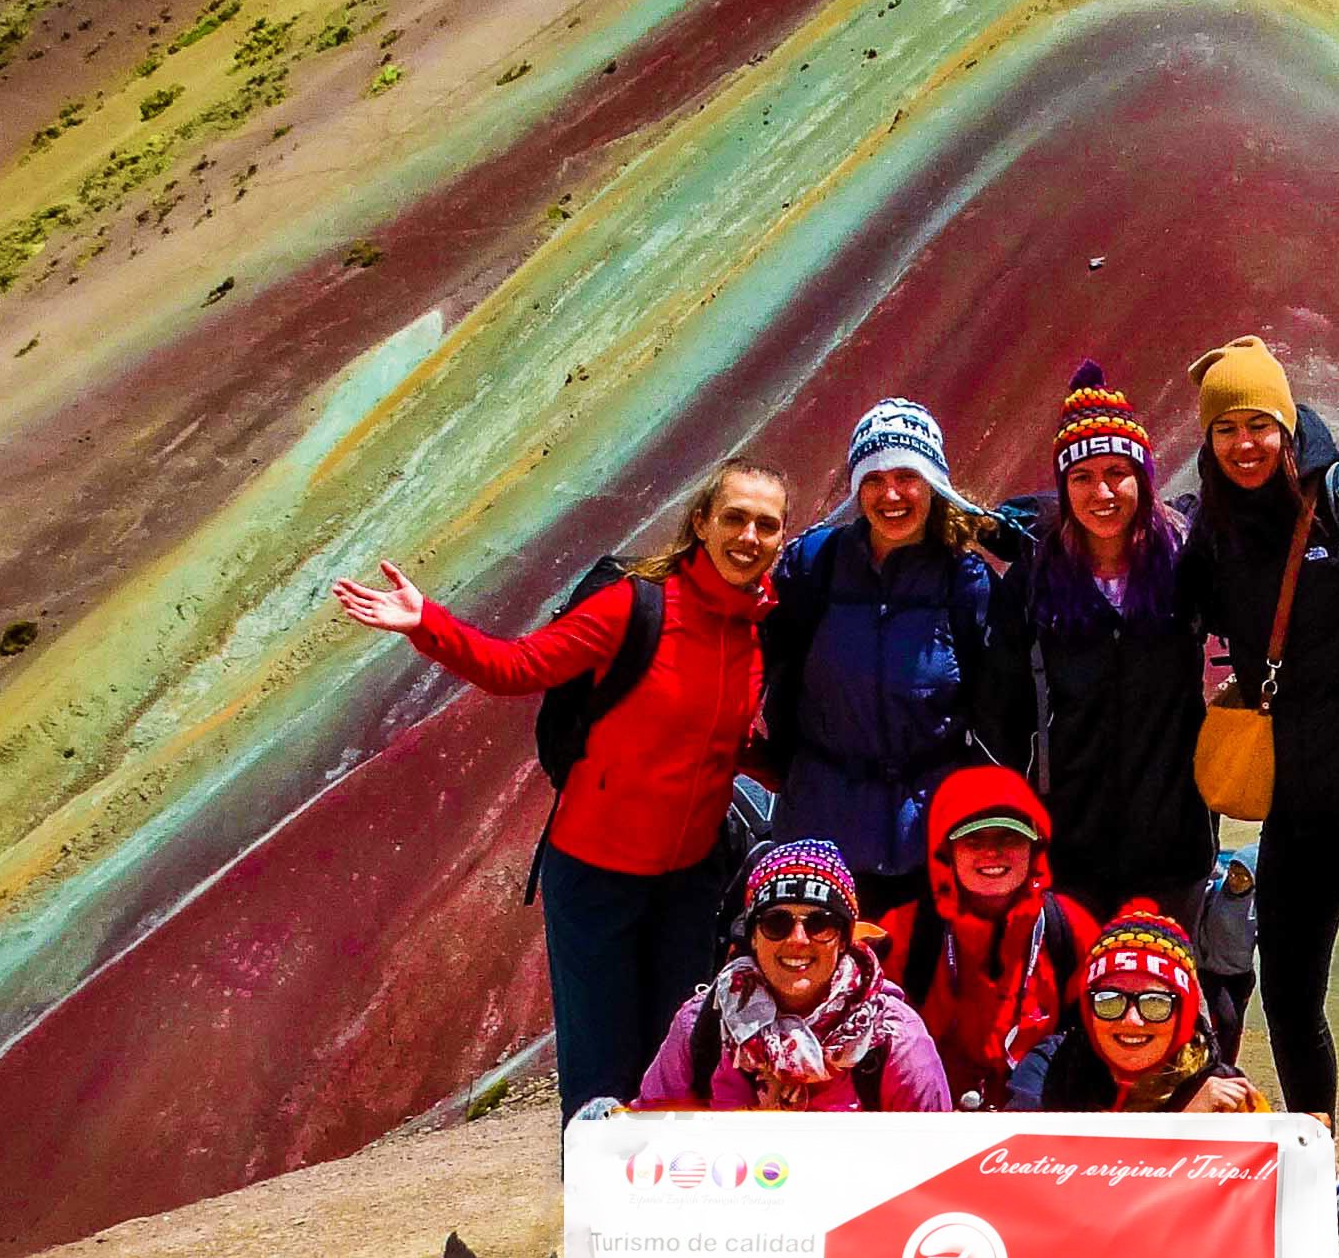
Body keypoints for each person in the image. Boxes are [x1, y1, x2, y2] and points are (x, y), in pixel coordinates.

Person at [331, 456, 788, 1114]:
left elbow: (731, 743)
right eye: (735, 518)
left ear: (778, 541)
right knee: (601, 1069)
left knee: (679, 1061)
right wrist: (424, 621)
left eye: (765, 526)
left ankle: (657, 1216)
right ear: (701, 523)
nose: (749, 536)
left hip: (689, 882)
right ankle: (595, 1216)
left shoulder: (755, 634)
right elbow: (517, 667)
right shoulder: (636, 605)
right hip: (597, 876)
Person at [1174, 335, 1339, 1254]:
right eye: (1227, 428)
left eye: (1259, 425)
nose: (1244, 444)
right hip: (1298, 807)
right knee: (1289, 994)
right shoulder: (1212, 534)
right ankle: (1316, 1169)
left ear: (1287, 425)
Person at [978, 361, 1214, 930]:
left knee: (1167, 1007)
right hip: (1068, 857)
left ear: (1144, 477)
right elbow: (997, 717)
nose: (1101, 492)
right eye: (1081, 477)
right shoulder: (1032, 583)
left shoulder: (1186, 567)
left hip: (1173, 852)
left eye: (1116, 472)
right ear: (1062, 488)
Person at [759, 397, 1013, 919]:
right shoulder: (816, 565)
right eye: (873, 479)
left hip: (932, 839)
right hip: (817, 834)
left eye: (907, 476)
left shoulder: (966, 581)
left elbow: (996, 712)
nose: (890, 494)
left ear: (933, 483)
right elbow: (769, 671)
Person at [633, 839, 953, 1109]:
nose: (798, 940)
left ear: (843, 939)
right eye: (776, 923)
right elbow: (645, 1134)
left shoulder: (894, 1036)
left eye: (820, 924)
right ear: (753, 937)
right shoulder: (703, 1022)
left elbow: (938, 1162)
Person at [872, 766, 1100, 1110]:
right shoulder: (904, 931)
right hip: (929, 1121)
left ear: (1035, 848)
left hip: (1039, 1123)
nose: (991, 853)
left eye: (1009, 838)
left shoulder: (1070, 927)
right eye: (974, 841)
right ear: (946, 853)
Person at [1040, 906, 1264, 1114]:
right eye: (1109, 1001)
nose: (1132, 1020)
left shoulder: (1226, 1096)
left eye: (1155, 1003)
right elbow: (1012, 1151)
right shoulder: (1050, 1069)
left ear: (1184, 1016)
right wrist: (1186, 1124)